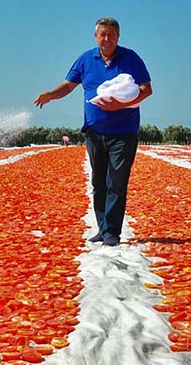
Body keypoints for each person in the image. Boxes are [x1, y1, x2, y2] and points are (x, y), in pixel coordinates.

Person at [34, 17, 153, 247]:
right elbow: (69, 85)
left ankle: (112, 232)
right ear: (96, 36)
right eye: (103, 35)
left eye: (111, 35)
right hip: (94, 132)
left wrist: (120, 105)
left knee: (116, 181)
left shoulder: (131, 58)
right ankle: (102, 227)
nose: (107, 39)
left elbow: (147, 89)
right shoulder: (86, 59)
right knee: (99, 181)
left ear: (118, 37)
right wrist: (51, 94)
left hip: (124, 132)